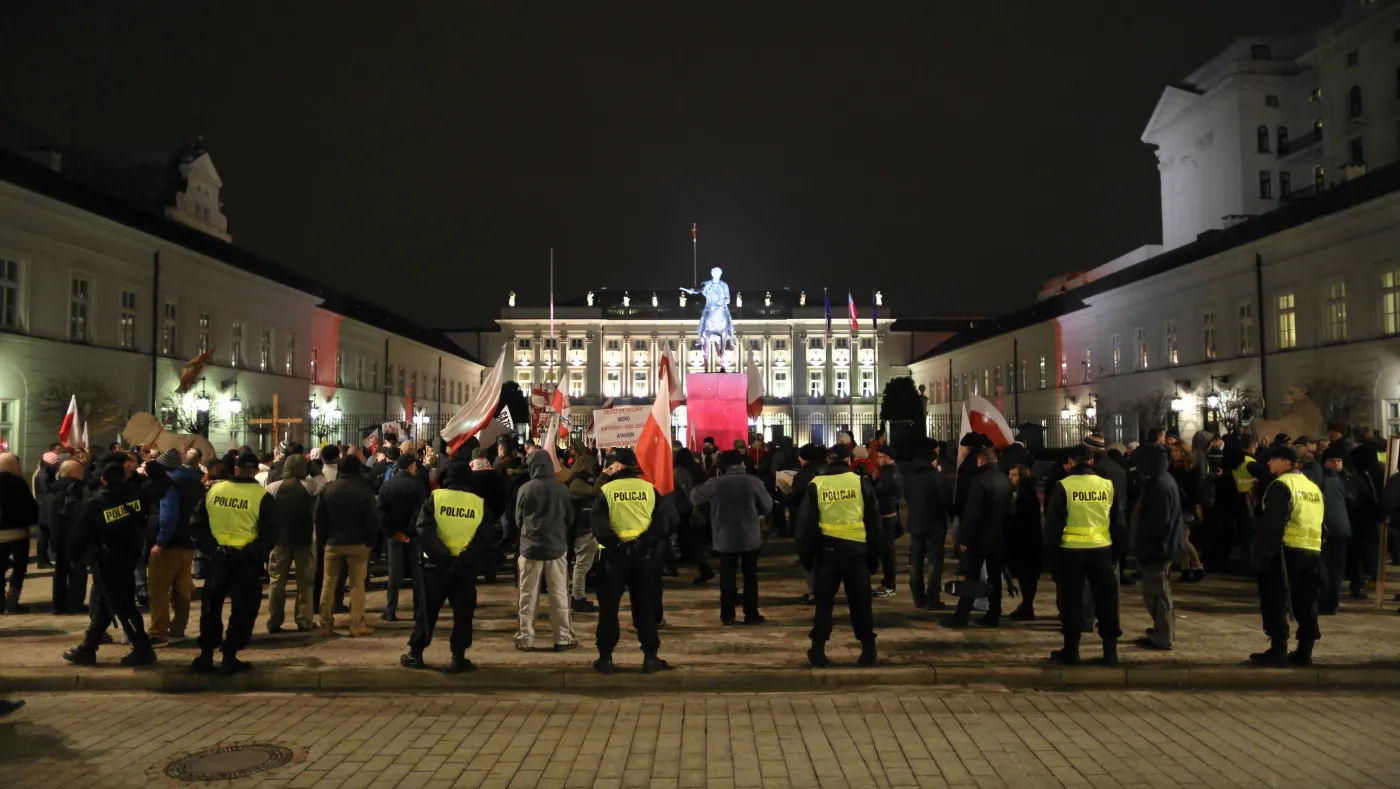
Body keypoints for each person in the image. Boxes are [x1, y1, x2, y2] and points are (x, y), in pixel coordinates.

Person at [401, 461, 504, 671]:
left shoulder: (436, 498)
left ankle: (416, 654)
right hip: (464, 569)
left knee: (427, 612)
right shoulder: (478, 503)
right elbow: (485, 537)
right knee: (463, 614)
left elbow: (424, 530)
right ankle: (458, 657)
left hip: (435, 567)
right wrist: (464, 558)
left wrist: (444, 557)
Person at [794, 443, 884, 668]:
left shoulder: (816, 485)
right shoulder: (860, 482)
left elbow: (804, 527)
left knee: (824, 604)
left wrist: (807, 559)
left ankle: (818, 651)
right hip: (857, 553)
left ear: (828, 460)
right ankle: (868, 650)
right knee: (861, 604)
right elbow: (874, 524)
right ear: (848, 460)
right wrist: (875, 559)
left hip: (828, 554)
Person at [590, 448, 677, 675]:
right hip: (643, 556)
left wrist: (618, 545)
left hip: (612, 558)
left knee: (609, 609)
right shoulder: (649, 489)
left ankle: (605, 658)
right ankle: (650, 657)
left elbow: (599, 526)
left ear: (618, 466)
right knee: (645, 608)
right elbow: (662, 524)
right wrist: (643, 542)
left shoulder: (606, 490)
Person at [61, 459, 154, 666]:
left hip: (107, 560)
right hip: (130, 556)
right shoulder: (136, 497)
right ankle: (88, 647)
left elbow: (79, 534)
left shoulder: (95, 504)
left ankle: (142, 647)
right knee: (109, 604)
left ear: (103, 480)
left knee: (122, 605)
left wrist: (74, 557)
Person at [189, 451, 275, 674]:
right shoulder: (262, 497)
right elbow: (270, 534)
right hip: (245, 562)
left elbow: (197, 526)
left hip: (216, 560)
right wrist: (251, 552)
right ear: (256, 471)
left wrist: (212, 549)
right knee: (243, 610)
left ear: (235, 470)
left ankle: (206, 656)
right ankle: (230, 656)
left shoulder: (214, 491)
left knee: (211, 608)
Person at [1043, 445, 1125, 666]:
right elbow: (1117, 522)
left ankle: (1071, 651)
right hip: (1102, 550)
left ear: (1071, 461)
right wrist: (1117, 553)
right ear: (1091, 462)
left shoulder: (1064, 486)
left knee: (1072, 602)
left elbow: (1052, 526)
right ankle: (1110, 652)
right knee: (1107, 601)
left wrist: (1050, 558)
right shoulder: (1107, 485)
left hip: (1070, 552)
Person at [1249, 445, 1323, 667]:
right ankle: (1305, 650)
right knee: (1306, 601)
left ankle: (1278, 650)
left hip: (1285, 551)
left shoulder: (1281, 485)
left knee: (1275, 601)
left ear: (1286, 463)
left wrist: (1262, 555)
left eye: (1273, 459)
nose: (1269, 462)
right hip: (1312, 551)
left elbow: (1272, 525)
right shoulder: (1312, 487)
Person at [691, 449, 773, 626]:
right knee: (750, 577)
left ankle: (727, 615)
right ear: (742, 464)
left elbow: (695, 497)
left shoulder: (715, 483)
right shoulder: (753, 482)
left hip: (724, 537)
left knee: (727, 578)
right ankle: (751, 613)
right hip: (749, 537)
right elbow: (767, 506)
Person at [513, 448, 577, 651]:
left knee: (527, 596)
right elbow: (570, 518)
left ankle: (525, 639)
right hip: (556, 549)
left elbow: (518, 519)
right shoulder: (562, 488)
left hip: (530, 549)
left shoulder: (525, 488)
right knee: (559, 595)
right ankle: (563, 638)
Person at [313, 454, 381, 637]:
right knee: (357, 584)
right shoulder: (364, 491)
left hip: (333, 543)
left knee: (328, 583)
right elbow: (372, 519)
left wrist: (323, 542)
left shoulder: (328, 489)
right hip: (358, 544)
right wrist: (369, 541)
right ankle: (356, 624)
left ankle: (326, 624)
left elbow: (318, 520)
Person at [946, 447, 1010, 628]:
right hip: (997, 537)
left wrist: (964, 539)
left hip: (979, 537)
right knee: (995, 577)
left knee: (971, 577)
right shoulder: (1004, 479)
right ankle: (994, 613)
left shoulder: (979, 480)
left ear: (981, 460)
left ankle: (961, 616)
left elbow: (972, 512)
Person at [1133, 444, 1185, 651]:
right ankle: (1162, 632)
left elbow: (1157, 523)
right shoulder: (1162, 480)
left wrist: (1145, 547)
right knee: (1158, 593)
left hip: (1157, 549)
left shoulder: (1159, 486)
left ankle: (1163, 636)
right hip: (1162, 547)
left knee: (1157, 594)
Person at [148, 449, 202, 644]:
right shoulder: (196, 483)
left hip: (170, 544)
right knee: (182, 589)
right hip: (189, 542)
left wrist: (160, 542)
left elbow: (169, 516)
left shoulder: (171, 485)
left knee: (159, 589)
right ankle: (179, 627)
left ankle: (158, 630)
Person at [265, 454, 317, 633]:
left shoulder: (272, 487)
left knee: (277, 581)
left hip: (279, 540)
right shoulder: (309, 486)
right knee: (305, 582)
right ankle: (304, 620)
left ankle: (274, 620)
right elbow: (320, 484)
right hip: (304, 539)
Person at [378, 454, 427, 623]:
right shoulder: (418, 486)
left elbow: (382, 512)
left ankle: (390, 610)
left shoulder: (387, 486)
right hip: (413, 537)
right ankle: (418, 610)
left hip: (394, 537)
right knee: (417, 574)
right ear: (411, 466)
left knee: (394, 574)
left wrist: (393, 532)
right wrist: (410, 532)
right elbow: (420, 513)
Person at [905, 441, 950, 611]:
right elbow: (944, 499)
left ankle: (918, 597)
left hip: (915, 524)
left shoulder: (910, 476)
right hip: (934, 524)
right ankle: (933, 598)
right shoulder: (935, 477)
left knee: (916, 562)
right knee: (934, 562)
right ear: (932, 460)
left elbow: (907, 496)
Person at [48, 459, 90, 614]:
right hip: (75, 536)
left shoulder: (52, 489)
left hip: (58, 537)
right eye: (80, 470)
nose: (83, 473)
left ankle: (58, 606)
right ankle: (75, 604)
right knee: (78, 572)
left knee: (60, 572)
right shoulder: (79, 489)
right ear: (73, 472)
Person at [0, 453, 39, 613]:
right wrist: (33, 525)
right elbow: (29, 505)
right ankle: (12, 601)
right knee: (19, 567)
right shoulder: (16, 482)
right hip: (17, 533)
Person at [790, 443, 827, 606]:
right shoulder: (826, 471)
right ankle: (824, 591)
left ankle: (815, 593)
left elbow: (796, 498)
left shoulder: (803, 475)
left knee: (808, 559)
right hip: (828, 520)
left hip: (807, 522)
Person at [565, 443, 601, 613]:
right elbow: (595, 492)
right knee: (582, 565)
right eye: (592, 467)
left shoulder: (578, 481)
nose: (594, 471)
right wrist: (605, 477)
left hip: (585, 527)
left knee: (583, 564)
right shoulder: (577, 484)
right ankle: (577, 597)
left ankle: (578, 595)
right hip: (583, 529)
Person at [1319, 444, 1354, 616]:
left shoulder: (1322, 479)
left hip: (1327, 528)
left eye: (1339, 461)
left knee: (1326, 567)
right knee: (1335, 569)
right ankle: (1332, 602)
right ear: (1326, 462)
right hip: (1341, 528)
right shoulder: (1345, 480)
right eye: (1334, 461)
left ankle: (1327, 602)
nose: (1337, 464)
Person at [1005, 464, 1042, 620]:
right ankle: (1027, 605)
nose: (1010, 478)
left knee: (1027, 576)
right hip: (1028, 540)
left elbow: (1022, 519)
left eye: (1014, 475)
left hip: (1026, 541)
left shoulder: (1024, 495)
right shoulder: (1021, 493)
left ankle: (1027, 606)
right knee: (1026, 577)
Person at [871, 446, 904, 598]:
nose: (878, 459)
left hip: (886, 516)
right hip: (889, 514)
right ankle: (888, 582)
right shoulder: (892, 472)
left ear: (888, 457)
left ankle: (889, 584)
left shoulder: (888, 473)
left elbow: (877, 492)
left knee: (887, 553)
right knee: (886, 552)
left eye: (881, 456)